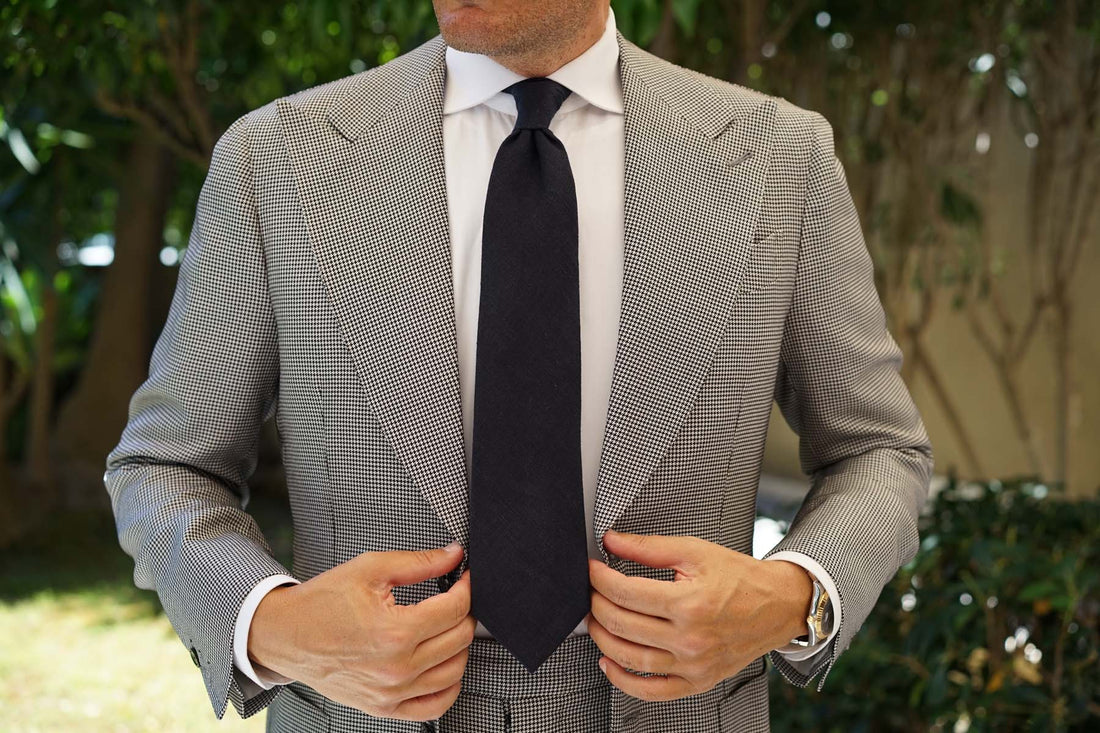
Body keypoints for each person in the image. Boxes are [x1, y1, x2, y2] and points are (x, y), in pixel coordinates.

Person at [103, 1, 934, 731]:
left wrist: (791, 596)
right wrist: (273, 625)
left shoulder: (781, 160)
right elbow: (165, 467)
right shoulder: (274, 162)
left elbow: (879, 451)